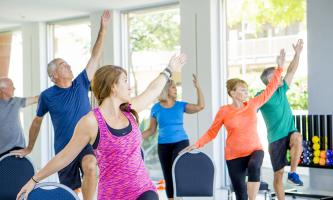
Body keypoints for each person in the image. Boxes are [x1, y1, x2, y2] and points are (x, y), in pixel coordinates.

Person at [17, 54, 187, 200]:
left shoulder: (130, 110)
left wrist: (169, 69)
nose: (130, 86)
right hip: (112, 194)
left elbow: (152, 91)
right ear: (113, 86)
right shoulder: (91, 122)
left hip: (143, 189)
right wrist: (34, 180)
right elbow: (65, 156)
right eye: (125, 81)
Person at [12, 10, 111, 200]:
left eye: (67, 64)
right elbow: (36, 122)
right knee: (71, 193)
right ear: (54, 75)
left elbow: (95, 56)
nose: (69, 66)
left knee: (91, 166)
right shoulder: (47, 96)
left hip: (86, 143)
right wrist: (29, 147)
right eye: (63, 65)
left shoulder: (81, 82)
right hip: (64, 150)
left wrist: (104, 30)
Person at [183, 50, 285, 200]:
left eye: (246, 89)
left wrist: (280, 68)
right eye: (242, 89)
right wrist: (197, 144)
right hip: (233, 156)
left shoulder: (252, 104)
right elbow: (212, 132)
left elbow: (270, 89)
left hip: (254, 150)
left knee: (254, 166)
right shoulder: (224, 111)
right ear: (232, 93)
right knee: (240, 195)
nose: (246, 92)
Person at [142, 74, 205, 199]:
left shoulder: (180, 105)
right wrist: (134, 136)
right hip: (163, 145)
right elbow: (151, 130)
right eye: (173, 87)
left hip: (181, 142)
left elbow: (200, 106)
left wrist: (198, 87)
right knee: (168, 175)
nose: (176, 89)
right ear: (165, 89)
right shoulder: (156, 108)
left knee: (176, 171)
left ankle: (179, 197)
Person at [257, 39, 304, 200]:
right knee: (278, 175)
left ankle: (293, 172)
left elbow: (291, 71)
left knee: (298, 137)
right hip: (275, 139)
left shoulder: (281, 89)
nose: (279, 78)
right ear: (268, 82)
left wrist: (297, 53)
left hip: (289, 133)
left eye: (279, 75)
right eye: (275, 77)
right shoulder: (261, 96)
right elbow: (249, 110)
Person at [0, 78, 38, 158]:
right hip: (1, 151)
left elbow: (35, 99)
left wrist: (52, 93)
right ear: (3, 89)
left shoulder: (17, 101)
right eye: (11, 86)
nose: (14, 88)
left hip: (18, 149)